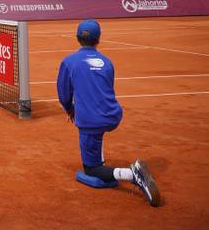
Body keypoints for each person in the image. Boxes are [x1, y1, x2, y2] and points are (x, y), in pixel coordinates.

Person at [57, 20, 160, 206]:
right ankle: (100, 155)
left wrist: (69, 109)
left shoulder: (68, 61)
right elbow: (105, 89)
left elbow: (64, 95)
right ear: (98, 39)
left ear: (77, 38)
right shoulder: (107, 62)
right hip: (113, 115)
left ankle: (132, 173)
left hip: (91, 121)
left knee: (91, 169)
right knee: (97, 127)